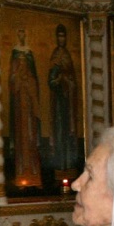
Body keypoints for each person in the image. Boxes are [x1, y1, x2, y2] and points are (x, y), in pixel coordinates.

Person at [8, 28, 43, 187]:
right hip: (19, 110)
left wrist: (28, 81)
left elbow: (35, 82)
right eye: (19, 33)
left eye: (24, 33)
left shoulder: (29, 54)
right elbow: (12, 81)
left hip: (29, 110)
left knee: (31, 139)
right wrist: (18, 78)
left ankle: (34, 175)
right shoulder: (15, 53)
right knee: (22, 141)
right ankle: (21, 174)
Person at [48, 23, 80, 172]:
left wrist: (68, 80)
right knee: (59, 132)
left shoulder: (67, 55)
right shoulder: (55, 55)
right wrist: (58, 79)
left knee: (69, 133)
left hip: (68, 101)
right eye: (59, 36)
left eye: (63, 36)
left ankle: (69, 164)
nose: (61, 39)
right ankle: (60, 165)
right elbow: (51, 81)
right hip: (58, 101)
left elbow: (73, 79)